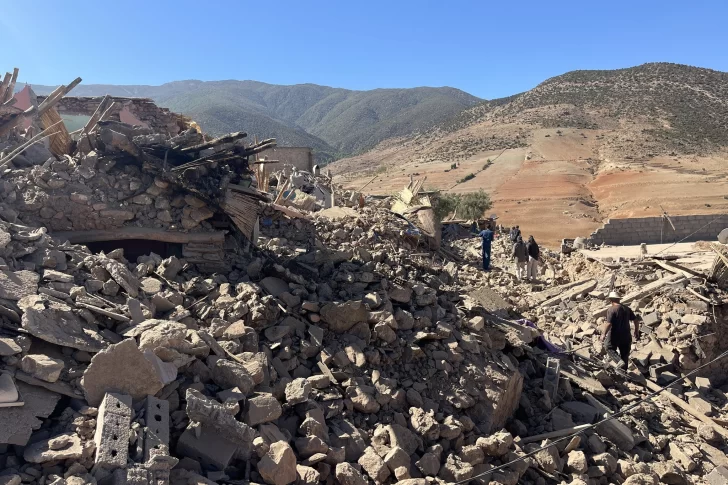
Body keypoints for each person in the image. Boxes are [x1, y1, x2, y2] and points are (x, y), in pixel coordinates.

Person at [601, 291, 641, 369]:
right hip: (626, 335)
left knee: (608, 347)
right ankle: (625, 375)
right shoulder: (627, 309)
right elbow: (636, 320)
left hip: (615, 335)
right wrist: (636, 331)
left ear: (610, 300)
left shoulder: (611, 309)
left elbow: (609, 324)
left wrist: (603, 334)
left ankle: (618, 361)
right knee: (624, 355)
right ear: (619, 299)